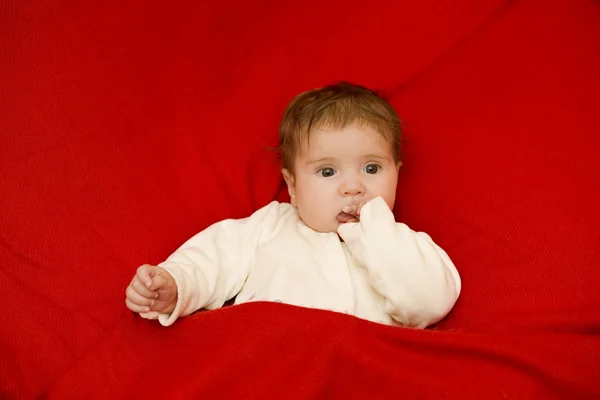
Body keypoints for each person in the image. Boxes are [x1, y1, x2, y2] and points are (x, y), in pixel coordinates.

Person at [125, 82, 461, 328]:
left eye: (371, 168)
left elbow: (429, 302)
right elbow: (213, 258)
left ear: (396, 175)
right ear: (293, 186)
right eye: (327, 171)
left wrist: (376, 228)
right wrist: (175, 284)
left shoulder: (404, 245)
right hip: (275, 360)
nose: (353, 187)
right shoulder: (271, 225)